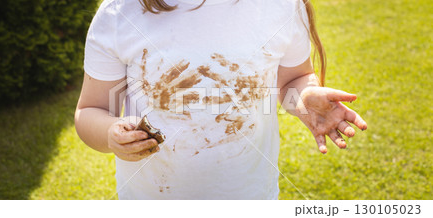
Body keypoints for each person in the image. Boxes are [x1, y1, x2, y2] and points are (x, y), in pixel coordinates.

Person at [74, 0, 368, 199]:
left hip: (250, 197)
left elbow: (293, 78)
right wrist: (110, 135)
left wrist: (304, 96)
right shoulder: (120, 13)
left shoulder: (278, 6)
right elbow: (91, 109)